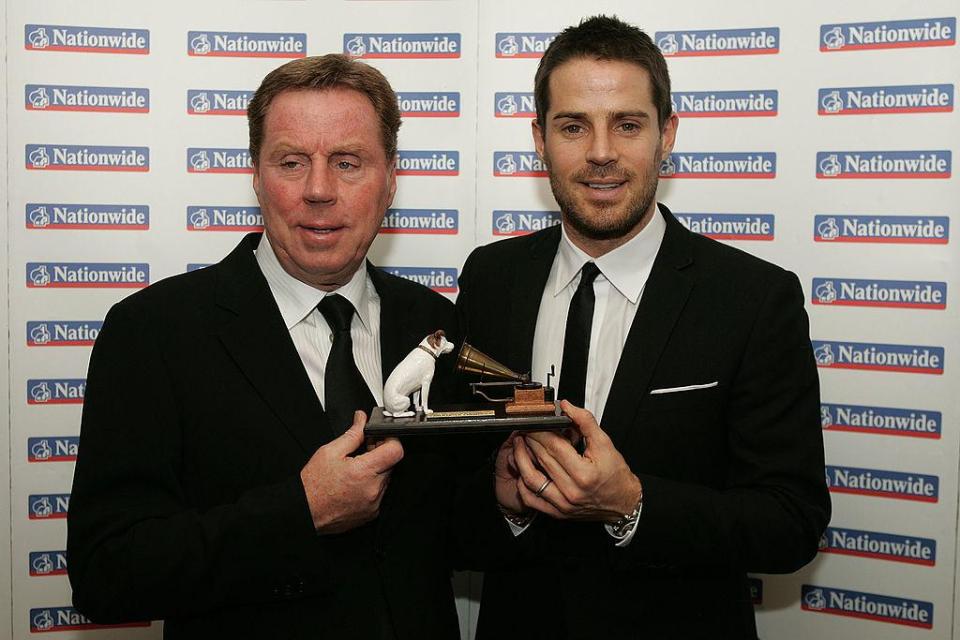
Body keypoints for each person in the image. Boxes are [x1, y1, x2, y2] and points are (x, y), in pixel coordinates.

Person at [455, 16, 830, 639]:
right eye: (573, 126)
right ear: (539, 140)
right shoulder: (492, 279)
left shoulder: (753, 297)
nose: (601, 152)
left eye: (627, 125)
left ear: (667, 136)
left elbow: (791, 522)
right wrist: (503, 503)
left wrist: (633, 504)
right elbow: (444, 502)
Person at [67, 54, 460, 639]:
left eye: (348, 163)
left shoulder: (436, 325)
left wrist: (510, 499)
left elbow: (445, 528)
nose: (319, 190)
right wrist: (298, 515)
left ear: (392, 177)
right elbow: (106, 571)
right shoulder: (153, 332)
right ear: (255, 174)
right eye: (291, 162)